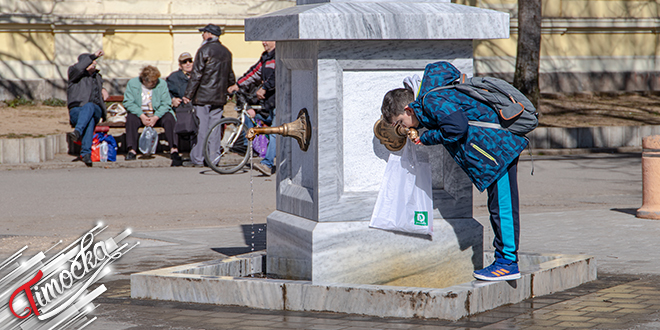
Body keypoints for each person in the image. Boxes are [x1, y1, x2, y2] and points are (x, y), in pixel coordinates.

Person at [380, 61, 528, 281]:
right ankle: (504, 259)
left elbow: (457, 127)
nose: (408, 128)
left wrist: (426, 137)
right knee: (497, 206)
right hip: (495, 151)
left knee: (502, 207)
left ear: (408, 109)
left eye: (402, 122)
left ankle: (507, 262)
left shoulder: (431, 99)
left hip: (499, 151)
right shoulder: (431, 97)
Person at [182, 24, 235, 167]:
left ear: (209, 34)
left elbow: (196, 74)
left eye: (204, 33)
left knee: (202, 128)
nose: (202, 35)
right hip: (219, 97)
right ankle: (214, 159)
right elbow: (230, 73)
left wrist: (188, 94)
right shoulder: (226, 52)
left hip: (203, 96)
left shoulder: (204, 50)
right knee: (215, 129)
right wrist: (231, 87)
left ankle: (198, 159)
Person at [227, 41, 276, 176]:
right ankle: (251, 147)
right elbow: (254, 72)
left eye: (267, 39)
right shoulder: (266, 57)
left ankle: (267, 164)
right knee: (250, 116)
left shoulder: (280, 55)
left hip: (281, 101)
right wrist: (237, 85)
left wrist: (265, 88)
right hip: (269, 103)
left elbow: (277, 75)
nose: (263, 42)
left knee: (275, 132)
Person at [123, 65, 179, 165]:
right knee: (131, 119)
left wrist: (155, 117)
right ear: (144, 80)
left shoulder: (161, 84)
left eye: (155, 81)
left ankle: (174, 148)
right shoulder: (133, 83)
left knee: (169, 118)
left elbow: (166, 103)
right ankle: (132, 150)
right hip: (140, 114)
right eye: (152, 82)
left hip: (157, 113)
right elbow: (128, 102)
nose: (154, 83)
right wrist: (142, 115)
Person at [67, 50, 108, 167]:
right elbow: (79, 68)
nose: (94, 63)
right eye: (91, 62)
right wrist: (93, 55)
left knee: (89, 106)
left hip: (95, 110)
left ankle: (77, 131)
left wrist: (103, 90)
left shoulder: (97, 77)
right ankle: (86, 154)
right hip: (77, 111)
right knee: (88, 120)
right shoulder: (74, 74)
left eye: (95, 62)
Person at [166, 52, 194, 166]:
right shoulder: (173, 77)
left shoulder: (199, 75)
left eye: (189, 61)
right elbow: (166, 92)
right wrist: (173, 100)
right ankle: (175, 149)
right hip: (181, 108)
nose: (188, 64)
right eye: (184, 62)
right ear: (180, 64)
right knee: (172, 119)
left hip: (194, 106)